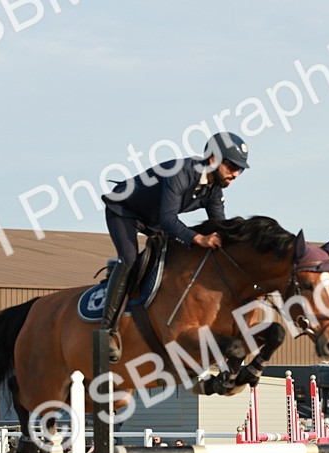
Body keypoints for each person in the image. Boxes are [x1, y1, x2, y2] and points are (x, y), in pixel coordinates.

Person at [100, 132, 251, 360]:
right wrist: (199, 239)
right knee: (130, 258)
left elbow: (219, 229)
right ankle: (107, 330)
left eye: (239, 169)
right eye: (231, 166)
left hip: (153, 220)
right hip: (124, 211)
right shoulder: (181, 173)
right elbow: (168, 220)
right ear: (212, 159)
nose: (235, 174)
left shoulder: (214, 191)